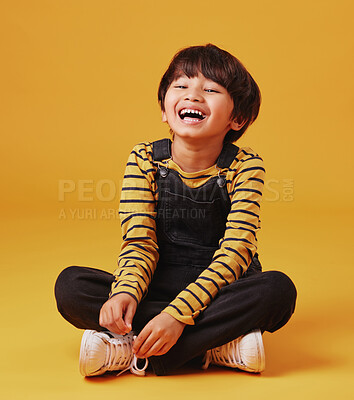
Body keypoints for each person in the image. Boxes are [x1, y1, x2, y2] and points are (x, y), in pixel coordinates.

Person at [55, 43, 297, 377]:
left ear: (236, 118)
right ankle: (216, 345)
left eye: (210, 89)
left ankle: (134, 349)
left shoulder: (245, 166)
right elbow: (140, 243)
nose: (194, 95)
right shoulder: (143, 160)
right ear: (165, 111)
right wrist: (125, 291)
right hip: (158, 283)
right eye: (181, 86)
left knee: (277, 291)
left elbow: (236, 252)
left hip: (221, 288)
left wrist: (177, 316)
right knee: (71, 286)